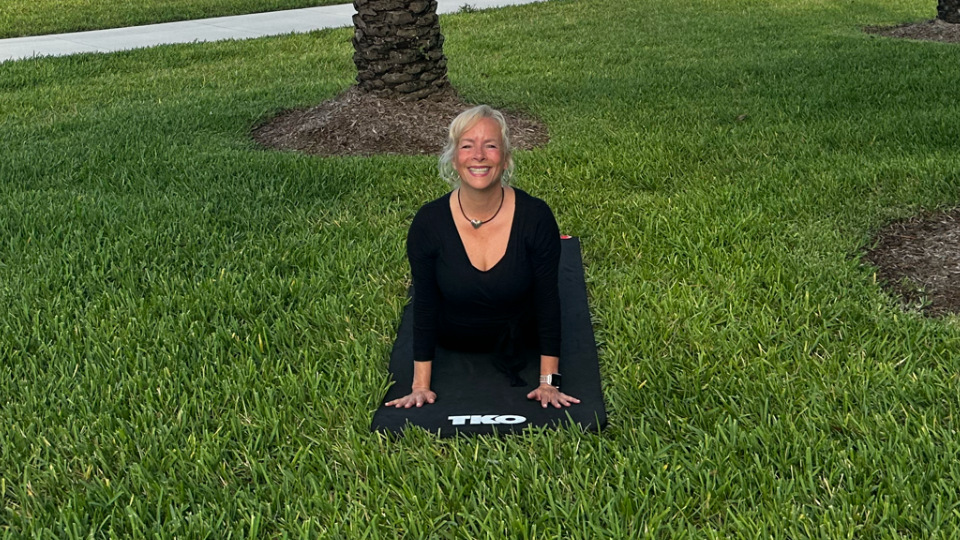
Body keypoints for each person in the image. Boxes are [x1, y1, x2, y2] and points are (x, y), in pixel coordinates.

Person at [387, 105, 580, 410]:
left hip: (522, 337)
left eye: (490, 145)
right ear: (454, 158)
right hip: (454, 337)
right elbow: (424, 304)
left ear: (505, 159)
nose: (478, 155)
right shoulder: (429, 222)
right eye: (467, 145)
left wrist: (548, 383)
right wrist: (420, 386)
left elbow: (548, 300)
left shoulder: (535, 217)